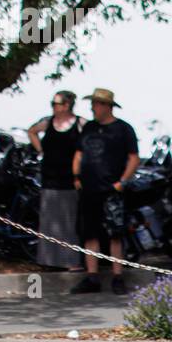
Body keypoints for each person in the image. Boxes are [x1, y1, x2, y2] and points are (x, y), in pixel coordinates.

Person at [70, 89, 139, 295]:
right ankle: (92, 276)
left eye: (97, 104)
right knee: (89, 231)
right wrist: (76, 176)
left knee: (114, 233)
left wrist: (122, 181)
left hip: (111, 188)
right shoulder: (89, 128)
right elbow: (79, 153)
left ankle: (118, 275)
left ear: (107, 106)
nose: (93, 108)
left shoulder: (123, 129)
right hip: (89, 188)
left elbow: (133, 157)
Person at [27, 91, 85, 270]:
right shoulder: (48, 122)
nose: (53, 107)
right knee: (49, 218)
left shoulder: (80, 123)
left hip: (69, 178)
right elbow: (32, 131)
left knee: (69, 220)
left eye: (56, 103)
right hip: (50, 176)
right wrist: (41, 151)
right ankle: (49, 260)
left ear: (67, 105)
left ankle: (71, 260)